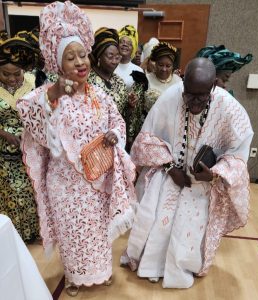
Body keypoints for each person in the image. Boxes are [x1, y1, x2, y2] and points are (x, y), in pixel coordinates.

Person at [17, 1, 136, 296]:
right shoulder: (48, 94)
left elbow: (118, 123)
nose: (80, 62)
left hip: (97, 180)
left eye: (83, 54)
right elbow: (27, 112)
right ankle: (74, 276)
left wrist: (112, 135)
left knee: (97, 232)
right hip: (65, 184)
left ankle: (102, 271)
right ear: (58, 64)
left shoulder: (99, 95)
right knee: (72, 233)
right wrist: (55, 93)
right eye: (71, 58)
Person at [121, 57, 254, 288]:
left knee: (187, 232)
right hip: (170, 175)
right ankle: (152, 266)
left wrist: (213, 173)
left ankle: (182, 268)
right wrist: (171, 168)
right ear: (183, 83)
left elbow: (239, 156)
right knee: (159, 223)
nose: (193, 102)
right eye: (189, 94)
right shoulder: (171, 96)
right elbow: (146, 140)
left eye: (200, 96)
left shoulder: (230, 109)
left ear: (213, 85)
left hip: (204, 184)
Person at [0, 30, 40, 242]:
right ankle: (15, 238)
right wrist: (4, 133)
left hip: (31, 151)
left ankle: (33, 234)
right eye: (6, 74)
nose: (13, 78)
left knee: (33, 193)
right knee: (13, 195)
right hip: (5, 156)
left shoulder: (33, 81)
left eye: (17, 73)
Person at [88, 27, 129, 117]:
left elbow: (124, 116)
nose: (114, 61)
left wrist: (130, 105)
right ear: (99, 56)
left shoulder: (120, 83)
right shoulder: (87, 81)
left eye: (117, 57)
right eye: (110, 57)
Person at [144, 42, 182, 112]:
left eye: (168, 66)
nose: (164, 69)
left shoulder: (179, 82)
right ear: (155, 64)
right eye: (161, 65)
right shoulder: (145, 79)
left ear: (172, 66)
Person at [114, 25, 143, 90]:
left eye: (129, 43)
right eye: (122, 42)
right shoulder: (110, 67)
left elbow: (140, 95)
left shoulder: (139, 71)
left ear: (133, 48)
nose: (125, 45)